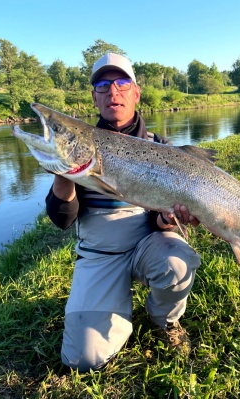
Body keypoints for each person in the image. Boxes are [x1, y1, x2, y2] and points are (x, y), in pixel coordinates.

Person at [45, 53, 202, 372]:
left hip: (148, 245)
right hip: (100, 254)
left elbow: (160, 221)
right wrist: (64, 175)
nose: (112, 91)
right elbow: (62, 220)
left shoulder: (163, 147)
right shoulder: (81, 145)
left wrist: (168, 219)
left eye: (121, 82)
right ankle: (112, 301)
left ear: (136, 92)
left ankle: (165, 320)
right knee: (82, 360)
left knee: (177, 263)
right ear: (94, 96)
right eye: (102, 84)